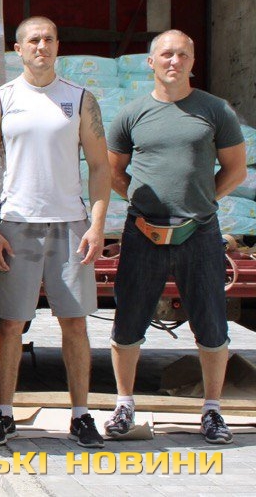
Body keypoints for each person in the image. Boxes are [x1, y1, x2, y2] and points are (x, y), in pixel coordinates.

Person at [104, 30, 246, 445]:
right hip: (143, 233)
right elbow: (113, 171)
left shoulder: (215, 110)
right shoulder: (131, 114)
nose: (174, 61)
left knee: (212, 324)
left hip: (199, 232)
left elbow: (236, 169)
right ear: (151, 62)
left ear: (192, 61)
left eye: (183, 54)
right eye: (166, 54)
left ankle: (212, 410)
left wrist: (203, 200)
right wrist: (141, 202)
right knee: (128, 322)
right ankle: (124, 405)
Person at [0, 17, 111, 449]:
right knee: (11, 324)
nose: (42, 46)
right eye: (33, 40)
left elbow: (100, 166)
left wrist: (97, 224)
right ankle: (4, 413)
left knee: (74, 322)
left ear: (58, 46)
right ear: (18, 49)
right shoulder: (0, 100)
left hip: (70, 225)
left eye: (49, 39)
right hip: (17, 224)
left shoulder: (80, 99)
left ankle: (81, 415)